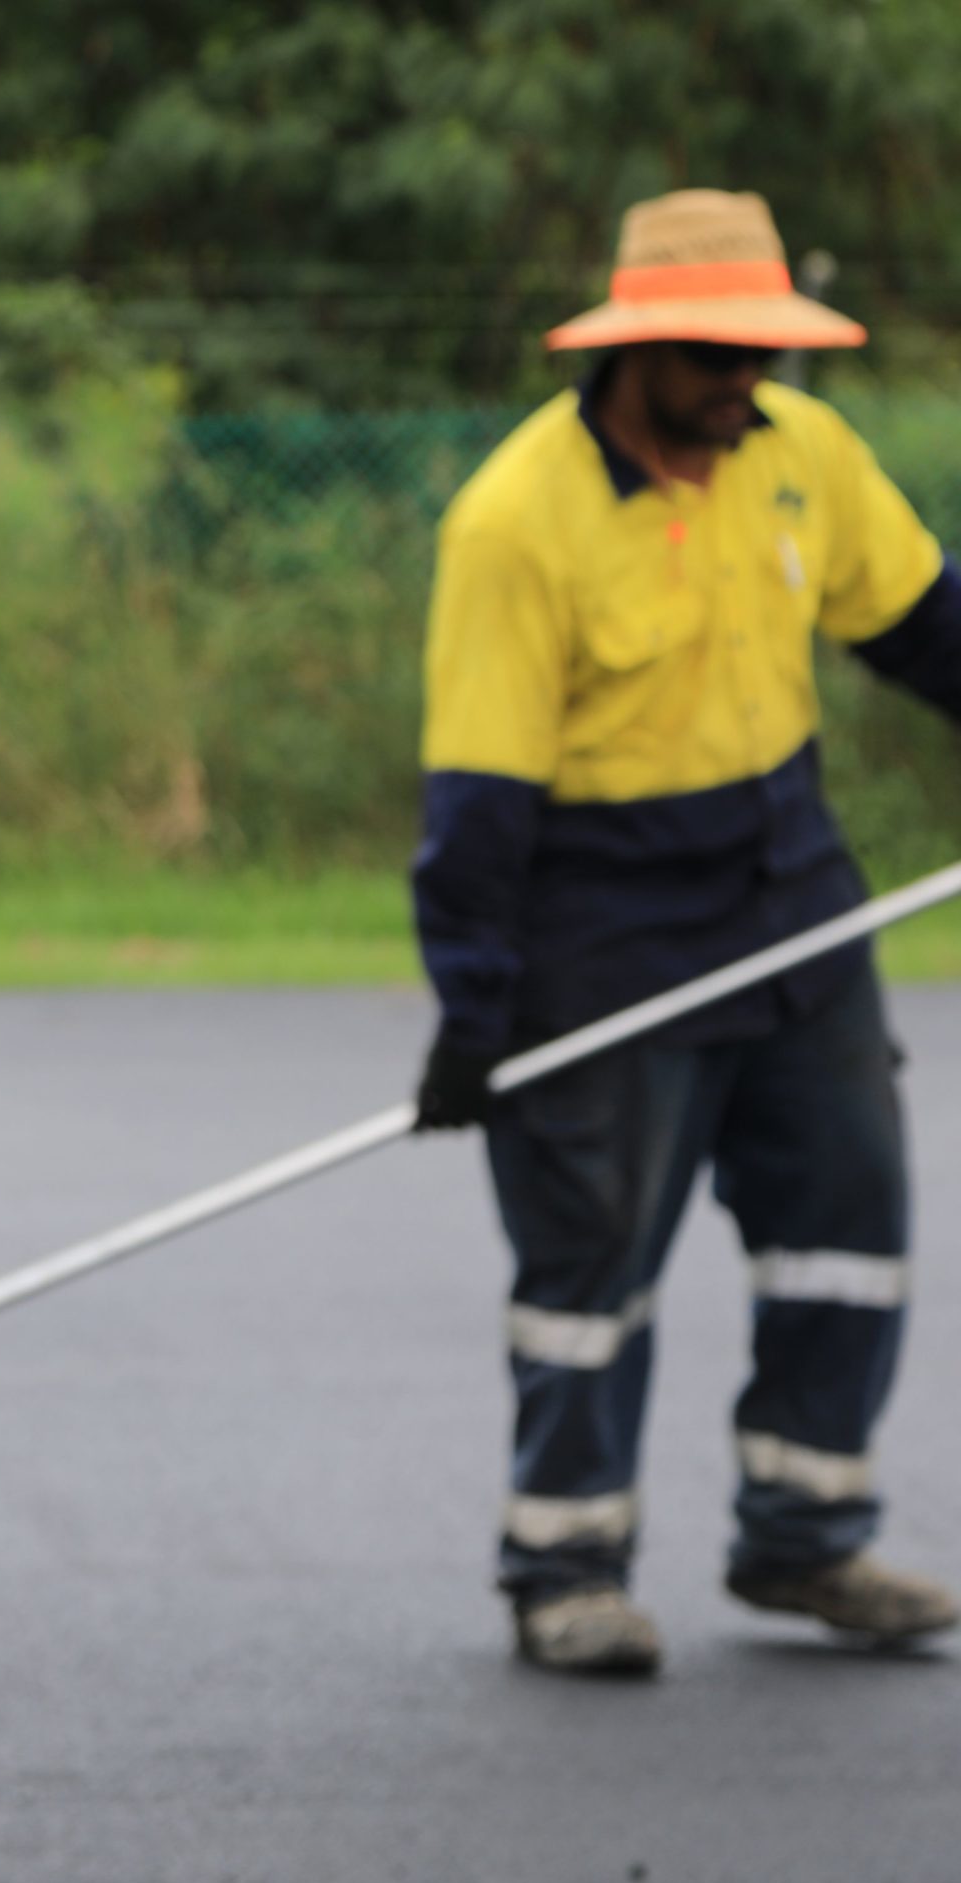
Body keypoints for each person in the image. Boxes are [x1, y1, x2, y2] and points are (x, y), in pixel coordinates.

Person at [412, 190, 961, 1675]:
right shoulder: (520, 519)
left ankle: (806, 1540)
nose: (744, 382)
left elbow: (923, 627)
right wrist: (476, 1016)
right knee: (593, 1265)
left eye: (760, 352)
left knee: (848, 1226)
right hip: (601, 923)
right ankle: (565, 1566)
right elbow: (476, 800)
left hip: (791, 897)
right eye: (717, 353)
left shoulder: (800, 456)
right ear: (637, 348)